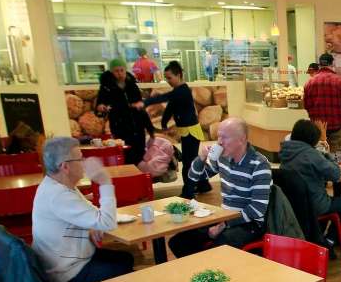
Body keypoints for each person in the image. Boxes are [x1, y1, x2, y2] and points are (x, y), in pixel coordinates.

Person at [31, 137, 133, 282]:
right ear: (65, 166)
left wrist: (91, 226)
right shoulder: (58, 195)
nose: (85, 163)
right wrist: (105, 183)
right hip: (65, 272)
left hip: (68, 261)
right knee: (120, 272)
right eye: (80, 158)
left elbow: (93, 214)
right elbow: (107, 222)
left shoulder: (61, 186)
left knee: (126, 259)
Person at [168, 118, 271, 257]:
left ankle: (210, 267)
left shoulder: (259, 164)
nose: (219, 142)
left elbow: (257, 209)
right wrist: (201, 158)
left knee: (219, 248)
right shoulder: (223, 157)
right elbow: (195, 177)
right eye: (218, 136)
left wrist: (224, 224)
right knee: (178, 241)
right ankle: (201, 267)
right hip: (224, 216)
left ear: (241, 139)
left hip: (249, 223)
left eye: (225, 137)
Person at [143, 60, 211, 199]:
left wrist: (145, 102)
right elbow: (170, 107)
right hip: (187, 131)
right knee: (191, 160)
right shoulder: (177, 92)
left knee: (188, 163)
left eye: (170, 78)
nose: (168, 81)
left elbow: (166, 98)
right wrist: (164, 122)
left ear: (179, 75)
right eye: (166, 78)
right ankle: (203, 185)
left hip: (191, 132)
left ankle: (188, 192)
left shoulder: (183, 90)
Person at [280, 119, 341, 247]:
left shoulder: (285, 151)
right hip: (315, 204)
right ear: (312, 139)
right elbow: (335, 174)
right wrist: (326, 152)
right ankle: (330, 241)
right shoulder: (310, 154)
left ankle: (318, 238)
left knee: (331, 201)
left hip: (293, 204)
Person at [96, 58, 154, 165]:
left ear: (125, 70)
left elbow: (141, 108)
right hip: (120, 127)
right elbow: (99, 106)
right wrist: (101, 108)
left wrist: (150, 129)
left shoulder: (132, 85)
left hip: (137, 126)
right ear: (111, 72)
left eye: (122, 70)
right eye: (116, 71)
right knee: (125, 155)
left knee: (139, 155)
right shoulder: (106, 87)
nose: (120, 73)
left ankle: (138, 174)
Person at [303, 53, 341, 152]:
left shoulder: (309, 83)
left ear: (319, 64)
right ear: (332, 64)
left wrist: (314, 119)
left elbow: (306, 105)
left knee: (319, 157)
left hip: (317, 130)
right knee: (337, 157)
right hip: (337, 127)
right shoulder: (340, 81)